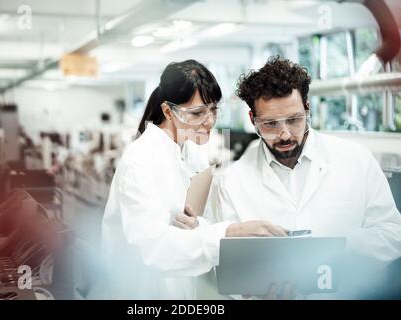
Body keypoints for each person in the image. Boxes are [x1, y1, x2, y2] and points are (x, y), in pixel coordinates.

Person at [212, 56, 401, 298]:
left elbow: (392, 232)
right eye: (270, 124)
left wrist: (334, 250)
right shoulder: (233, 180)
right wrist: (254, 292)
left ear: (307, 107)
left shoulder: (356, 159)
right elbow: (229, 263)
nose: (284, 134)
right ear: (252, 120)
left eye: (293, 120)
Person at [100, 59, 287, 299]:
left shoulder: (190, 153)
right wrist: (230, 233)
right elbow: (152, 248)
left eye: (213, 109)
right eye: (198, 112)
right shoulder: (140, 160)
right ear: (168, 111)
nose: (210, 121)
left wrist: (200, 228)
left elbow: (196, 224)